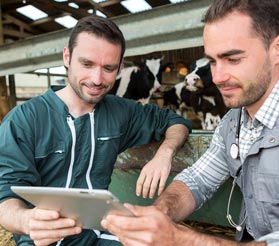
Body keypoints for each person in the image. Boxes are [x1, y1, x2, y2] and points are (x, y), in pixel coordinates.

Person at [101, 0, 279, 245]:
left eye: (233, 59)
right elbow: (198, 179)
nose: (218, 77)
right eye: (212, 61)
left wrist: (178, 239)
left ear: (278, 49)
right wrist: (160, 213)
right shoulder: (235, 122)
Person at [0, 15, 191, 245]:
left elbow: (174, 121)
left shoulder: (121, 112)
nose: (97, 79)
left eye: (108, 68)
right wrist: (27, 220)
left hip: (96, 233)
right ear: (67, 57)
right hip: (42, 240)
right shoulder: (24, 120)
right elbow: (5, 200)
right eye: (87, 64)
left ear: (120, 68)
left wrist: (164, 154)